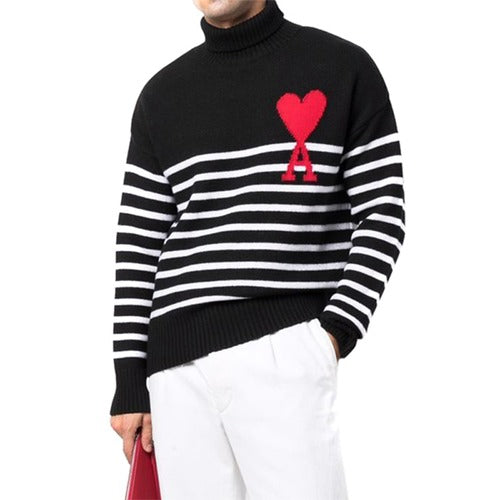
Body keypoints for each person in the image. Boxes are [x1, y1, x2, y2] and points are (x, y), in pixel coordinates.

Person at [109, 0, 406, 498]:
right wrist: (130, 379)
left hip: (284, 349)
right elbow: (139, 243)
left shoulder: (342, 67)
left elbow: (383, 213)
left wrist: (332, 334)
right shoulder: (161, 95)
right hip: (174, 370)